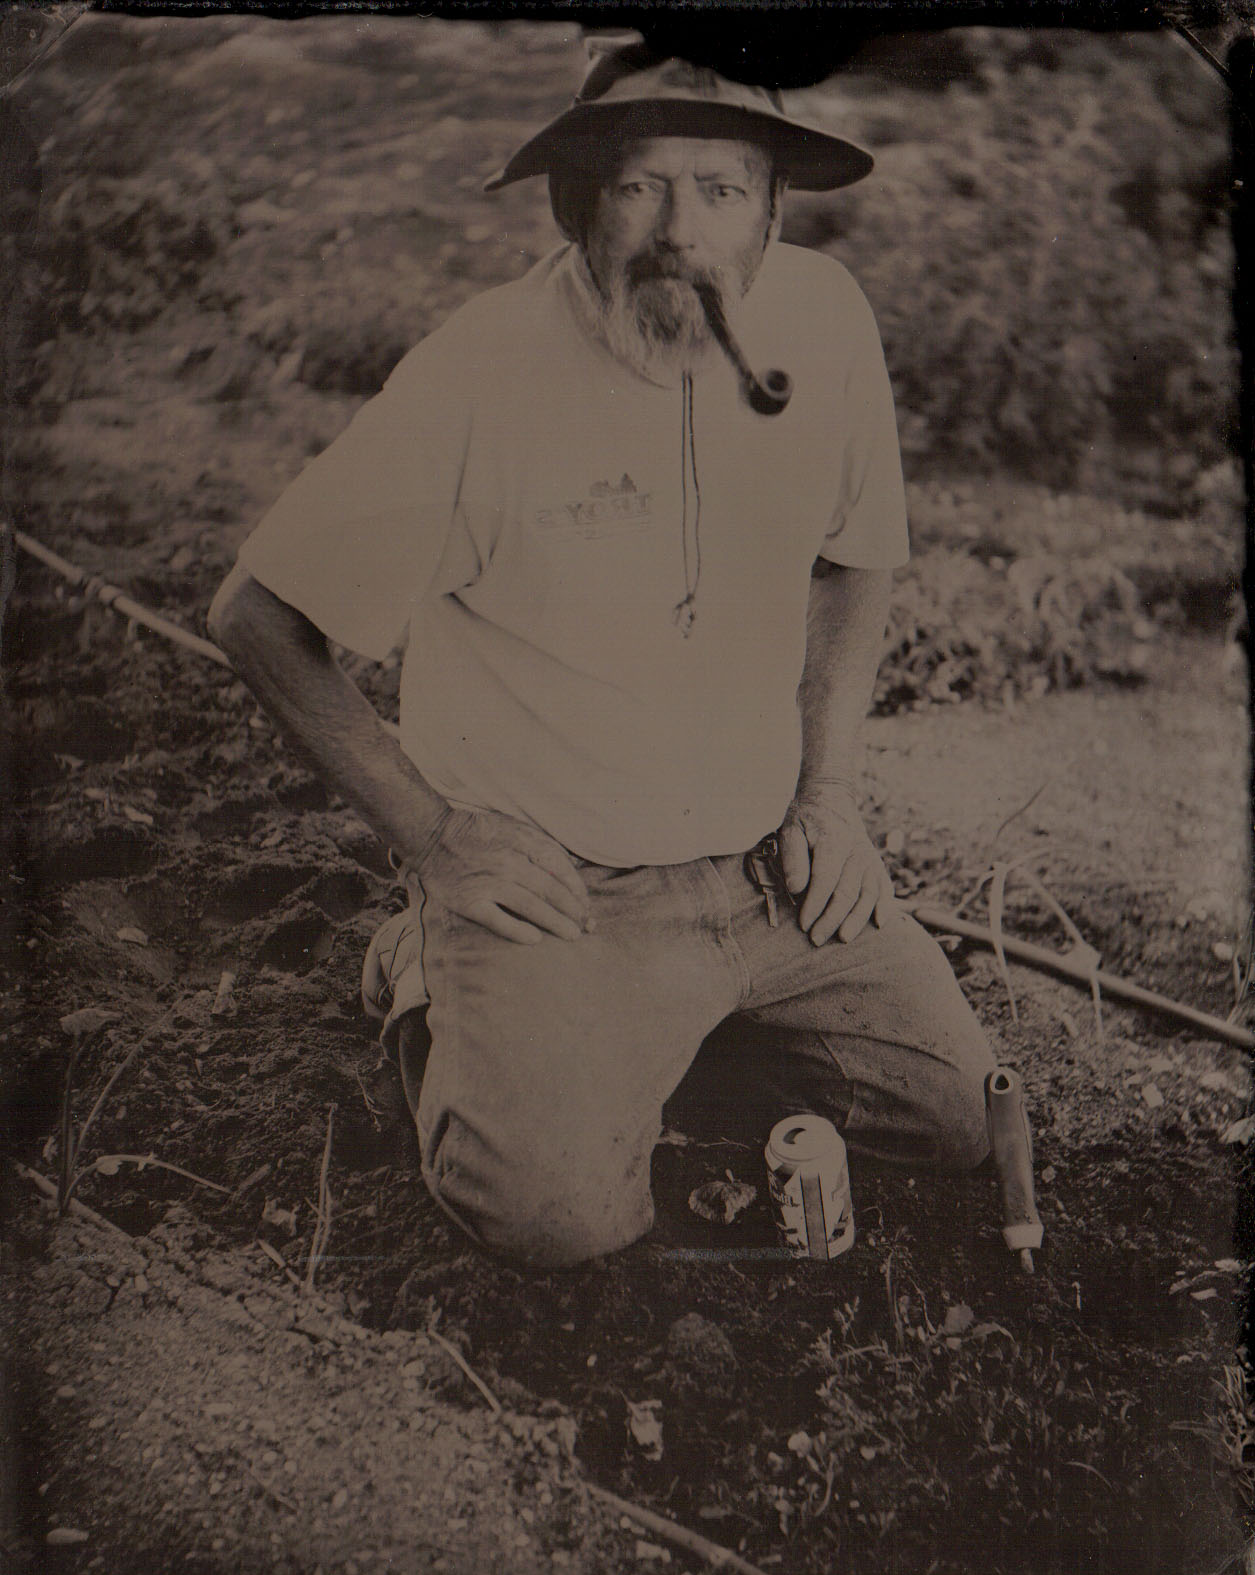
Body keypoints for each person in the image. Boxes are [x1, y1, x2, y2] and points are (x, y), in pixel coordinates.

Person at [208, 41, 997, 1268]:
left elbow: (858, 557)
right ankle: (430, 970)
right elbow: (259, 613)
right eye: (640, 186)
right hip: (561, 887)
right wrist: (436, 837)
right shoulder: (478, 374)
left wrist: (830, 797)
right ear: (575, 204)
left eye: (721, 189)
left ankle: (650, 1032)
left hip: (768, 868)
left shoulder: (826, 319)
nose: (681, 231)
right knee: (554, 1219)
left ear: (773, 213)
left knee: (955, 1116)